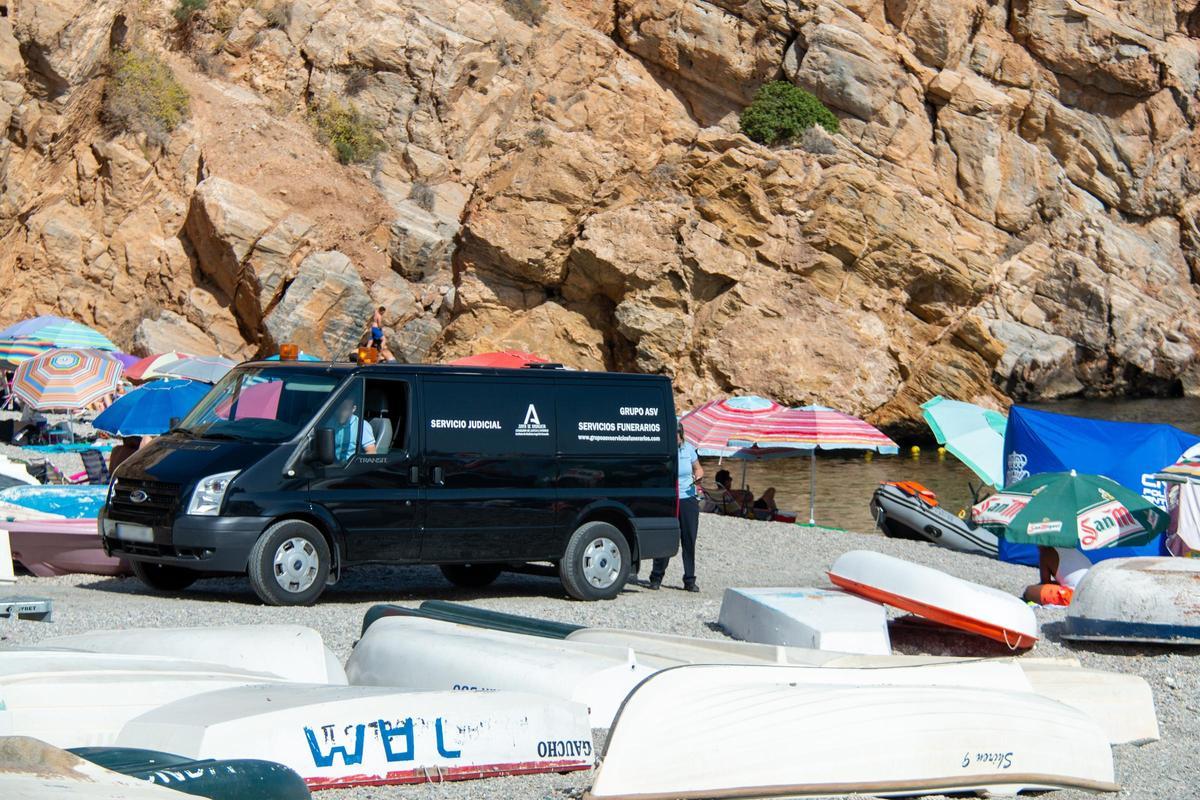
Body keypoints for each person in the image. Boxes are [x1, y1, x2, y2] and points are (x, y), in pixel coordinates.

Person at [648, 428, 703, 592]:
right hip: (670, 499)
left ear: (681, 436)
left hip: (688, 498)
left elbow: (698, 468)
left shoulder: (689, 449)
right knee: (666, 537)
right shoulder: (664, 450)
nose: (676, 442)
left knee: (689, 539)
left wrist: (698, 476)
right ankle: (656, 576)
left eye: (677, 438)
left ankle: (689, 579)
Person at [1022, 546, 1091, 606]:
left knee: (1029, 591)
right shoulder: (1072, 549)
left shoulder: (1046, 552)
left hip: (1075, 596)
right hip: (1091, 588)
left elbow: (1045, 583)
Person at [332, 397, 376, 462]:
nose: (341, 412)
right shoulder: (330, 422)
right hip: (330, 464)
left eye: (345, 409)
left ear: (353, 409)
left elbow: (371, 452)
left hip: (349, 467)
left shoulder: (361, 425)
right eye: (339, 408)